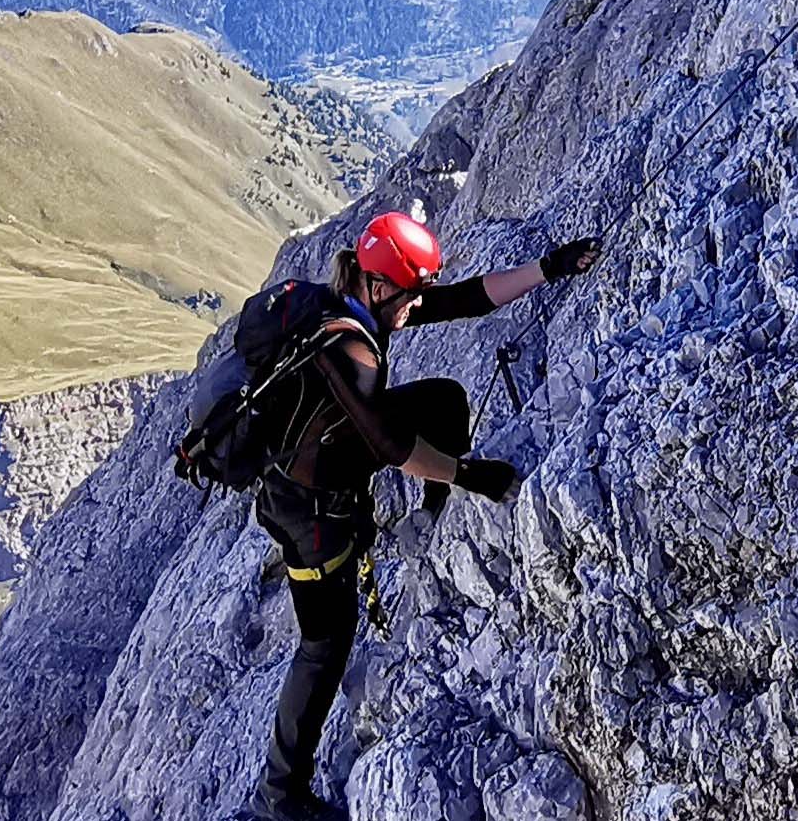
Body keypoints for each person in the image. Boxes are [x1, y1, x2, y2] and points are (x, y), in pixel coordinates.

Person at [252, 209, 598, 821]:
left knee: (444, 401)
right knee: (325, 644)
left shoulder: (363, 302)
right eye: (409, 298)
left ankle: (435, 516)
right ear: (379, 286)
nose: (416, 309)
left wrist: (549, 268)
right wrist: (471, 477)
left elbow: (465, 300)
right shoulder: (350, 348)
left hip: (327, 453)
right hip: (308, 507)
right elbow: (387, 444)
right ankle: (281, 795)